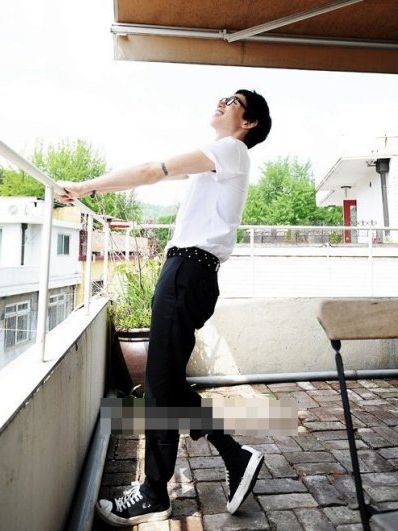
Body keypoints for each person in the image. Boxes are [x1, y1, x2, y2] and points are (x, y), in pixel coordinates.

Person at [57, 89, 272, 527]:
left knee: (160, 387)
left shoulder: (230, 150)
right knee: (167, 383)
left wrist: (84, 187)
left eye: (233, 101)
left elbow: (151, 171)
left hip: (187, 272)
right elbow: (150, 176)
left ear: (248, 122)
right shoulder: (217, 160)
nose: (221, 102)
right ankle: (234, 455)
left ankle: (156, 493)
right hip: (189, 273)